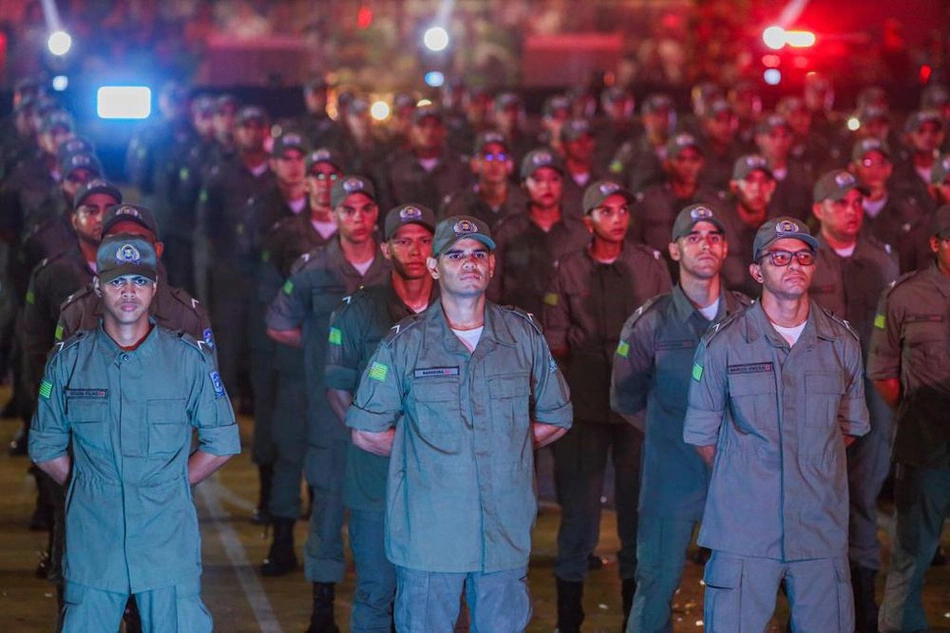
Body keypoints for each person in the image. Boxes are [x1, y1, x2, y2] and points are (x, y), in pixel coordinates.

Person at [345, 215, 573, 632]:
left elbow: (557, 417)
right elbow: (366, 430)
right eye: (454, 255)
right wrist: (424, 458)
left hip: (502, 535)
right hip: (432, 536)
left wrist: (507, 445)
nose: (468, 263)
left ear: (491, 265)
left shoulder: (522, 337)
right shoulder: (404, 344)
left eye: (478, 254)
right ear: (434, 268)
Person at [28, 234, 240, 632]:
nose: (129, 293)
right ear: (97, 286)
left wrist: (171, 482)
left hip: (167, 545)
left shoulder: (187, 360)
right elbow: (45, 446)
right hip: (95, 543)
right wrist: (90, 485)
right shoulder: (69, 362)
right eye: (117, 281)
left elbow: (222, 442)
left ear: (154, 287)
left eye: (140, 282)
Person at [684, 217, 870, 631]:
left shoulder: (842, 344)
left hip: (819, 530)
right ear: (756, 271)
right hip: (744, 535)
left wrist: (807, 468)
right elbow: (702, 436)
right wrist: (750, 476)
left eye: (803, 256)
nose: (794, 265)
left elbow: (850, 426)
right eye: (780, 256)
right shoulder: (723, 345)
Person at [612, 203, 750, 633]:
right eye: (693, 237)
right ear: (674, 250)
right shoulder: (648, 324)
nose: (704, 244)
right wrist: (672, 432)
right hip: (671, 478)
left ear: (725, 247)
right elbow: (625, 397)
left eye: (713, 236)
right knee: (655, 584)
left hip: (737, 480)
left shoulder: (750, 319)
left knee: (738, 589)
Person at [543, 180, 671, 632]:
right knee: (580, 515)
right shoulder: (569, 270)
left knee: (638, 512)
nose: (618, 218)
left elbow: (666, 330)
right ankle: (568, 619)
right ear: (588, 220)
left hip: (636, 405)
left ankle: (634, 618)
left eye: (622, 209)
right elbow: (555, 337)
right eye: (607, 211)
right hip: (587, 403)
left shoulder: (649, 266)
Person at [266, 175, 390, 632]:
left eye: (365, 209)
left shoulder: (396, 268)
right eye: (348, 210)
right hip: (331, 411)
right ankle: (323, 605)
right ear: (333, 215)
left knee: (384, 506)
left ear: (376, 214)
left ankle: (383, 602)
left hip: (385, 407)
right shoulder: (313, 269)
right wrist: (321, 350)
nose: (358, 219)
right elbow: (278, 324)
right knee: (328, 506)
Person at [325, 204, 439, 632]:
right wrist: (369, 434)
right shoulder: (358, 310)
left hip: (441, 480)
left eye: (424, 240)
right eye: (404, 240)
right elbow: (337, 387)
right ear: (386, 248)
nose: (415, 249)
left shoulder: (460, 310)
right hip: (377, 476)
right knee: (377, 588)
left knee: (434, 593)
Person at [809, 169, 900, 632]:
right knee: (815, 498)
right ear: (818, 209)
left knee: (863, 496)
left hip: (871, 394)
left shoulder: (882, 261)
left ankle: (863, 605)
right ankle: (816, 603)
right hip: (817, 394)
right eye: (840, 202)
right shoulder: (801, 259)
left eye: (855, 203)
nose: (850, 211)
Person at [869, 204, 950, 633]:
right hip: (925, 450)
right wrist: (914, 413)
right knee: (910, 558)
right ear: (936, 244)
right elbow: (882, 373)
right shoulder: (904, 295)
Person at [488, 149, 590, 318]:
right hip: (518, 330)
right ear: (523, 185)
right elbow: (492, 288)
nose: (546, 186)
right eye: (537, 179)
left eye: (554, 179)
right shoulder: (507, 232)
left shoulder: (581, 233)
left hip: (571, 331)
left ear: (562, 184)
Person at [439, 131, 527, 228]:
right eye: (488, 156)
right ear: (474, 164)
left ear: (510, 165)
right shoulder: (457, 207)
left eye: (501, 156)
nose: (495, 163)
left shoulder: (526, 205)